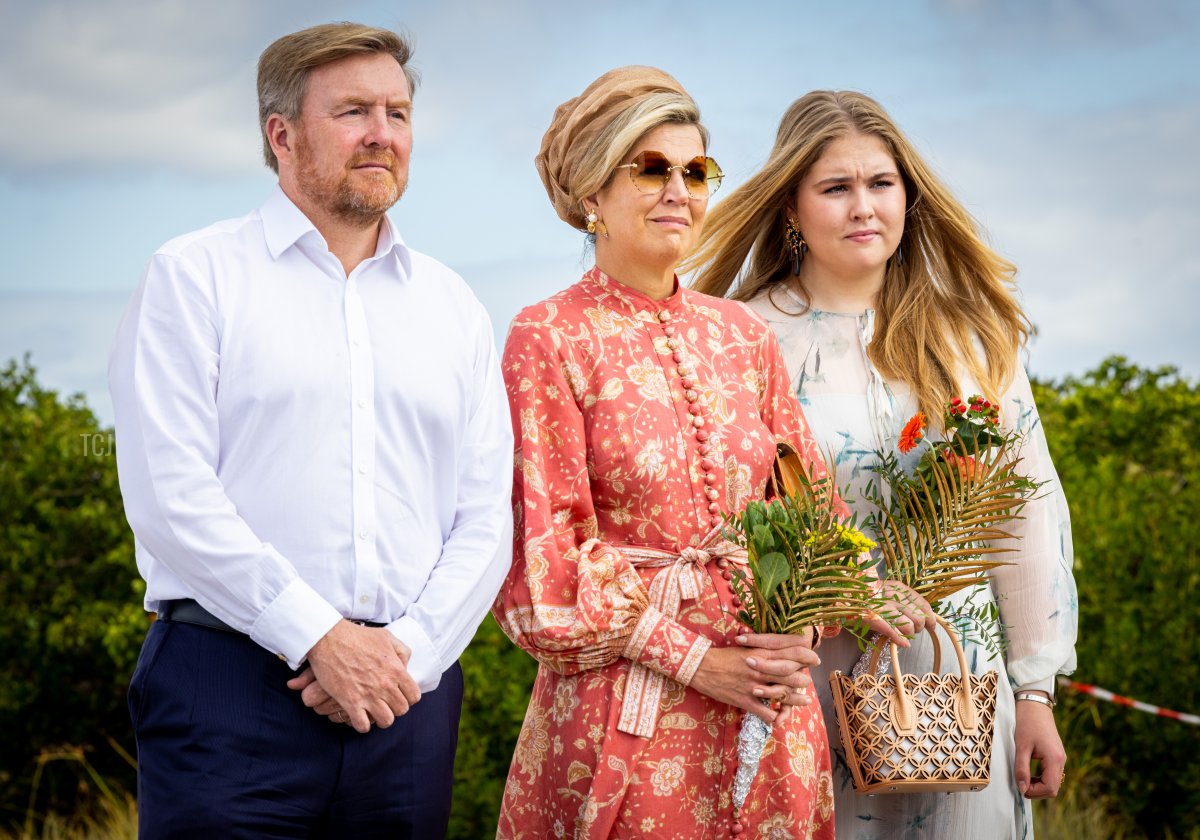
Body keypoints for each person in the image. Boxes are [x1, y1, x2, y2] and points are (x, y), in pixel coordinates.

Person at [108, 22, 513, 838]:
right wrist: (319, 637)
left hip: (408, 701)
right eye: (354, 111)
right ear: (281, 134)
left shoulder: (453, 307)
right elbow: (171, 496)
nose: (382, 134)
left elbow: (485, 518)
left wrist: (406, 655)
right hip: (225, 694)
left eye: (398, 113)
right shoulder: (193, 278)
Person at [493, 66, 911, 840]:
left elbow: (812, 512)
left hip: (770, 705)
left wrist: (822, 619)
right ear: (592, 192)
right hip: (629, 713)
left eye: (695, 170)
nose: (678, 189)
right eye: (650, 168)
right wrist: (697, 662)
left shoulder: (743, 336)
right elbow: (542, 565)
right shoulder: (547, 336)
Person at [689, 90, 1078, 839]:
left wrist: (1036, 693)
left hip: (959, 687)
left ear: (909, 196)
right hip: (801, 685)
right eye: (836, 188)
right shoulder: (736, 337)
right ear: (792, 209)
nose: (863, 207)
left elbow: (1024, 520)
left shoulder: (972, 338)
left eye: (881, 184)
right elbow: (713, 517)